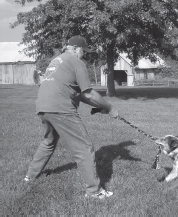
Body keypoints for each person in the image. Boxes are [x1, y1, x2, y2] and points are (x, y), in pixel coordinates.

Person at [24, 35, 118, 199]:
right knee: (83, 147)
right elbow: (88, 93)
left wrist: (99, 106)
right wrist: (109, 107)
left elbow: (78, 93)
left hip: (43, 106)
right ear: (75, 48)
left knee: (48, 141)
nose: (85, 55)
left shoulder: (56, 61)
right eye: (84, 51)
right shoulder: (76, 62)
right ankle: (94, 192)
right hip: (61, 108)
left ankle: (29, 176)